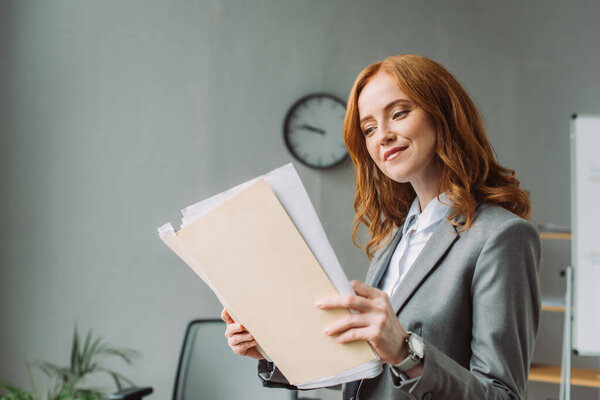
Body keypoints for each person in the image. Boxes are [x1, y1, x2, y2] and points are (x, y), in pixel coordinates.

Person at [222, 54, 541, 400]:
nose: (383, 136)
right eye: (369, 128)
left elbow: (502, 395)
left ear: (443, 115)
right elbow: (370, 374)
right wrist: (273, 349)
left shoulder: (501, 237)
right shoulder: (397, 238)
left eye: (399, 113)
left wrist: (406, 352)